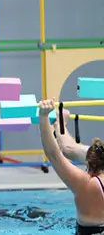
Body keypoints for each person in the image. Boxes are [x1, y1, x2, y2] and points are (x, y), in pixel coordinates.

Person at [38, 98, 104, 234]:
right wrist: (60, 124)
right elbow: (69, 149)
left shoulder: (88, 185)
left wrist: (43, 116)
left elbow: (54, 155)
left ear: (90, 166)